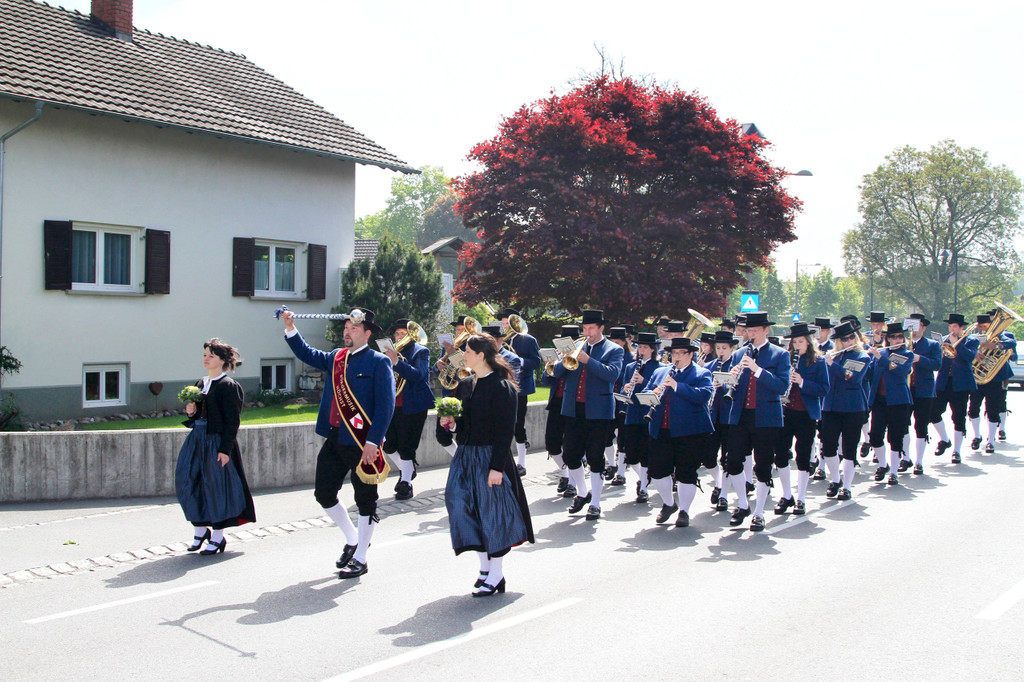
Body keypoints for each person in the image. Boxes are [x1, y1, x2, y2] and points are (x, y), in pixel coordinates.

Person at [283, 307, 395, 579]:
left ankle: (361, 557)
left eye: (354, 328)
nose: (347, 332)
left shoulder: (379, 362)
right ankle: (353, 538)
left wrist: (373, 441)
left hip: (362, 442)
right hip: (335, 438)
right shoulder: (337, 357)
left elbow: (386, 406)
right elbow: (306, 353)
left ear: (367, 334)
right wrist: (290, 327)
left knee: (365, 500)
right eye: (346, 328)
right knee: (323, 493)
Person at [440, 334, 535, 597]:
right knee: (460, 504)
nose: (464, 356)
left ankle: (496, 573)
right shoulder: (466, 384)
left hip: (490, 457)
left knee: (493, 514)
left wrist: (496, 468)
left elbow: (505, 432)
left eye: (468, 352)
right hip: (466, 456)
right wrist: (452, 424)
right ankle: (484, 566)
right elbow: (466, 424)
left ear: (481, 355)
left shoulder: (502, 387)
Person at [176, 338, 255, 555]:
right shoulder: (200, 384)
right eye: (205, 355)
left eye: (211, 356)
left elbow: (232, 421)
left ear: (222, 360)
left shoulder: (229, 386)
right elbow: (198, 416)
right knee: (189, 482)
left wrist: (224, 450)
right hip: (197, 440)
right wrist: (192, 412)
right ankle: (200, 530)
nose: (206, 359)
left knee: (216, 487)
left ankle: (218, 535)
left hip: (216, 442)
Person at [551, 309, 624, 521]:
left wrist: (587, 360)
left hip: (599, 411)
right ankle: (583, 493)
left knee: (595, 457)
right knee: (570, 455)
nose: (587, 332)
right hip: (573, 409)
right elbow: (557, 373)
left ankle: (596, 503)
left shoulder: (614, 350)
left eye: (591, 328)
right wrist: (562, 358)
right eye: (584, 328)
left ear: (601, 328)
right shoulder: (576, 346)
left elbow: (612, 375)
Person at [723, 311, 791, 531]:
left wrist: (757, 370)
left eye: (754, 330)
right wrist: (730, 378)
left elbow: (782, 386)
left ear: (765, 330)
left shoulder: (780, 354)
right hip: (740, 414)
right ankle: (743, 505)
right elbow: (730, 385)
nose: (750, 334)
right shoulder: (739, 354)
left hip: (766, 417)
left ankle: (759, 513)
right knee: (732, 461)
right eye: (748, 330)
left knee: (763, 466)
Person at [640, 337, 715, 528]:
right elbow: (646, 392)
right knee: (657, 471)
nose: (677, 357)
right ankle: (668, 503)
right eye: (674, 353)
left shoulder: (702, 373)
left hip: (690, 431)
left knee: (686, 472)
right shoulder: (660, 372)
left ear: (690, 355)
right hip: (661, 429)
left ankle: (684, 511)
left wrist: (677, 386)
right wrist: (652, 394)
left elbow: (704, 395)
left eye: (682, 353)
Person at [775, 323, 829, 515]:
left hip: (806, 413)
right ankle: (787, 495)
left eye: (801, 342)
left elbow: (824, 389)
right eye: (795, 342)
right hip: (785, 411)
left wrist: (802, 382)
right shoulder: (786, 359)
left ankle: (801, 498)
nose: (797, 345)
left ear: (808, 342)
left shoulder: (818, 362)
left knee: (803, 456)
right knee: (781, 454)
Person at [819, 321, 872, 500]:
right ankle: (836, 479)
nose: (849, 341)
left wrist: (832, 364)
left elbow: (853, 378)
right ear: (838, 341)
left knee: (849, 449)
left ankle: (847, 487)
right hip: (830, 407)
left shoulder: (862, 356)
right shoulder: (833, 355)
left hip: (852, 408)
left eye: (851, 337)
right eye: (844, 339)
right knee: (828, 447)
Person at [383, 319, 433, 501]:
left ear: (412, 335)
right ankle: (408, 469)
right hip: (392, 404)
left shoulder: (421, 351)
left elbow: (418, 375)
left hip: (413, 405)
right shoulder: (390, 352)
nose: (399, 337)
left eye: (403, 334)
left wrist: (397, 362)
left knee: (406, 446)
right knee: (388, 444)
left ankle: (406, 483)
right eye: (397, 334)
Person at [865, 322, 915, 485]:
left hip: (898, 401)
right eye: (893, 337)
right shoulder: (881, 352)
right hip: (879, 400)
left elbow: (900, 372)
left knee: (895, 437)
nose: (896, 340)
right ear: (888, 339)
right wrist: (863, 359)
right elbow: (870, 373)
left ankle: (893, 471)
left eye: (899, 337)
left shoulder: (907, 354)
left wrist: (880, 358)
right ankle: (883, 465)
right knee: (875, 436)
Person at [618, 332, 663, 503]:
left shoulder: (659, 368)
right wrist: (626, 388)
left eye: (645, 347)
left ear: (652, 349)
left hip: (647, 414)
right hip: (632, 413)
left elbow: (659, 389)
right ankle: (644, 477)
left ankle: (643, 486)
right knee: (630, 454)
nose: (641, 350)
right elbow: (623, 388)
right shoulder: (631, 366)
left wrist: (643, 381)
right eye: (639, 347)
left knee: (645, 453)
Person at [930, 313, 979, 464]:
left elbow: (970, 357)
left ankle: (956, 451)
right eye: (950, 326)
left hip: (961, 384)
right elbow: (937, 361)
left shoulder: (971, 340)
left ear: (962, 328)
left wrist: (957, 343)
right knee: (933, 412)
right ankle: (945, 439)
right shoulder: (943, 341)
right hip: (943, 382)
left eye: (955, 327)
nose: (952, 330)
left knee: (958, 416)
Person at [500, 308, 542, 477]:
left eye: (507, 323)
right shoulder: (500, 340)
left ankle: (522, 463)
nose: (505, 327)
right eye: (504, 324)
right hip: (502, 386)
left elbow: (536, 363)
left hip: (521, 387)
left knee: (518, 424)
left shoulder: (528, 340)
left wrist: (517, 360)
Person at [542, 325, 580, 497]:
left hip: (573, 404)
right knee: (551, 443)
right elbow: (546, 381)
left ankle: (573, 482)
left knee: (571, 445)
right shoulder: (558, 356)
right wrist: (549, 367)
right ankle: (565, 472)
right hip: (557, 403)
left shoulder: (579, 357)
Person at [903, 314, 942, 475]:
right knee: (902, 425)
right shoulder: (903, 344)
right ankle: (905, 457)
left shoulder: (933, 345)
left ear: (923, 327)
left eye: (917, 325)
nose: (913, 329)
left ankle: (919, 462)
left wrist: (920, 359)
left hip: (924, 391)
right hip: (906, 390)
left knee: (921, 426)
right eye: (911, 325)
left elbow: (937, 364)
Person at [707, 330, 739, 511]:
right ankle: (718, 483)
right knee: (708, 457)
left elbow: (739, 388)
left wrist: (725, 385)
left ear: (732, 348)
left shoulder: (736, 366)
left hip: (729, 417)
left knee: (727, 458)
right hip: (712, 417)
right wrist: (711, 386)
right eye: (718, 348)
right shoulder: (710, 366)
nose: (720, 351)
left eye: (724, 348)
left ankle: (724, 495)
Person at [434, 315, 470, 457]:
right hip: (449, 395)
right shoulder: (449, 347)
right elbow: (436, 371)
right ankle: (459, 458)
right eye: (457, 330)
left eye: (462, 330)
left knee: (463, 433)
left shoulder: (472, 348)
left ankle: (463, 461)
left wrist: (454, 355)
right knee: (442, 435)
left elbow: (466, 374)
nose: (459, 333)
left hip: (465, 396)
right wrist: (438, 365)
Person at [605, 326, 633, 484]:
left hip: (623, 402)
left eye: (617, 342)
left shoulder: (631, 359)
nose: (614, 345)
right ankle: (612, 464)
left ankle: (621, 472)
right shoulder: (607, 356)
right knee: (606, 435)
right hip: (609, 400)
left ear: (624, 342)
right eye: (612, 342)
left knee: (623, 439)